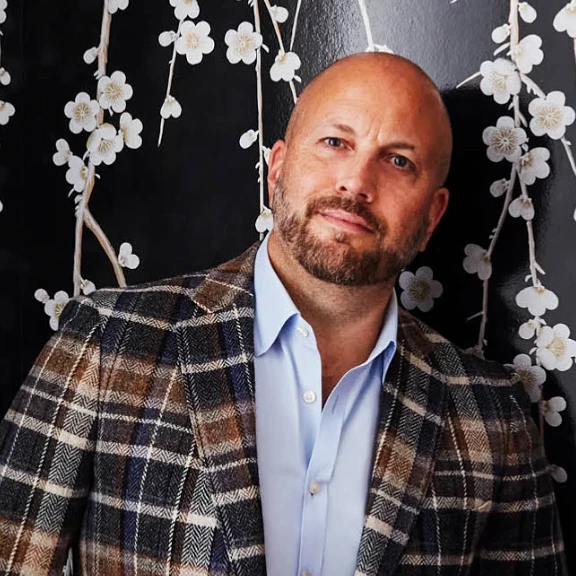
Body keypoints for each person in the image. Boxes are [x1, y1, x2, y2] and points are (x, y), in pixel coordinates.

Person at [0, 53, 566, 576]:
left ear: (433, 214)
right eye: (334, 142)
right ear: (279, 168)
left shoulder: (495, 416)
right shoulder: (109, 343)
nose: (356, 183)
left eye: (398, 161)